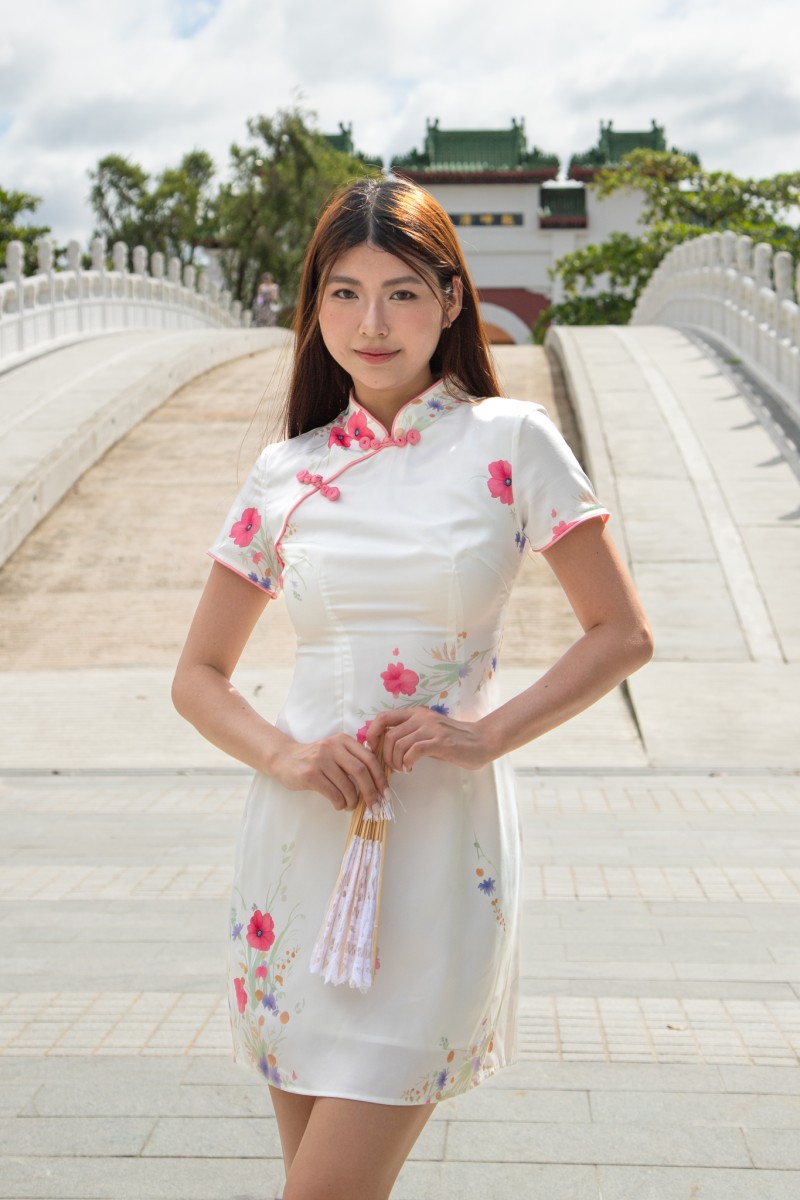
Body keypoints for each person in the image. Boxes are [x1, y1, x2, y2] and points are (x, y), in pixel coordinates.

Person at [172, 177, 653, 1200]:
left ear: (449, 299)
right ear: (314, 308)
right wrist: (287, 755)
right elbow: (197, 677)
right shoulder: (285, 472)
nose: (371, 324)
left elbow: (621, 634)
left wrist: (485, 735)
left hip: (437, 855)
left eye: (400, 293)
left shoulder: (510, 441)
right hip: (296, 855)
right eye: (343, 294)